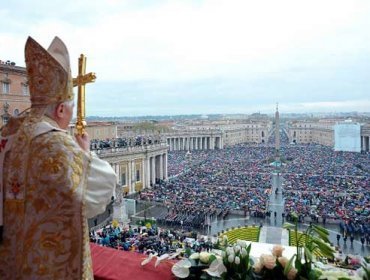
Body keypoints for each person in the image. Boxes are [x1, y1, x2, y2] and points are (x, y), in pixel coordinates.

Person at [0, 36, 117, 279]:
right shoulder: (56, 141)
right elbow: (98, 192)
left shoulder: (7, 134)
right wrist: (84, 153)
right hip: (52, 264)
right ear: (60, 109)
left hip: (10, 255)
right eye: (70, 110)